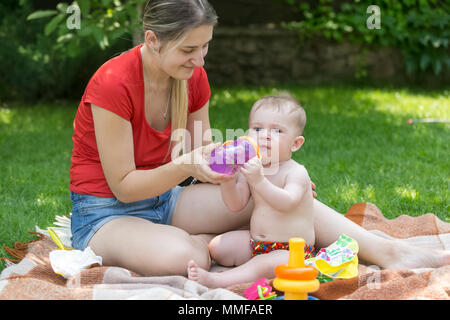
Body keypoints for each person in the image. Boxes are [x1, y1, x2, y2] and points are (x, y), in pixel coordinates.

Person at [69, 0, 450, 278]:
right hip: (106, 213)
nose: (199, 61)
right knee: (190, 259)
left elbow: (205, 160)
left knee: (286, 200)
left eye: (205, 47)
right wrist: (188, 164)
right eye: (188, 49)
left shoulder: (191, 78)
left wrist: (265, 174)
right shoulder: (113, 84)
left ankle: (390, 251)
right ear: (152, 40)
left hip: (167, 199)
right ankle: (191, 239)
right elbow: (124, 188)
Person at [187, 94, 318, 288]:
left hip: (292, 251)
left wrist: (259, 180)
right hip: (256, 243)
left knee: (261, 265)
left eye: (277, 130)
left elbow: (287, 202)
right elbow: (236, 204)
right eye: (257, 128)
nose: (264, 135)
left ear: (295, 144)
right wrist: (228, 180)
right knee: (218, 247)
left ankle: (217, 280)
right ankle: (246, 270)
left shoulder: (296, 172)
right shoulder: (253, 167)